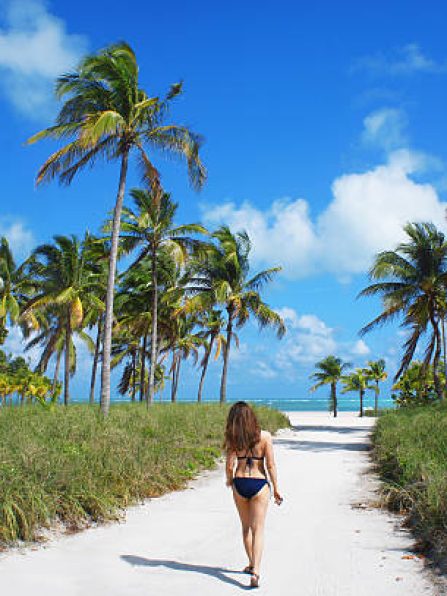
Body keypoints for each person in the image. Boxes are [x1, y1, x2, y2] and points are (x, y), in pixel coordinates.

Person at [224, 401, 283, 588]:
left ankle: (250, 563)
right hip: (259, 483)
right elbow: (271, 465)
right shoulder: (265, 436)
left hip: (240, 483)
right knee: (259, 529)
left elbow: (229, 465)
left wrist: (229, 480)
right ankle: (256, 570)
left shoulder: (234, 438)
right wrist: (276, 488)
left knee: (245, 528)